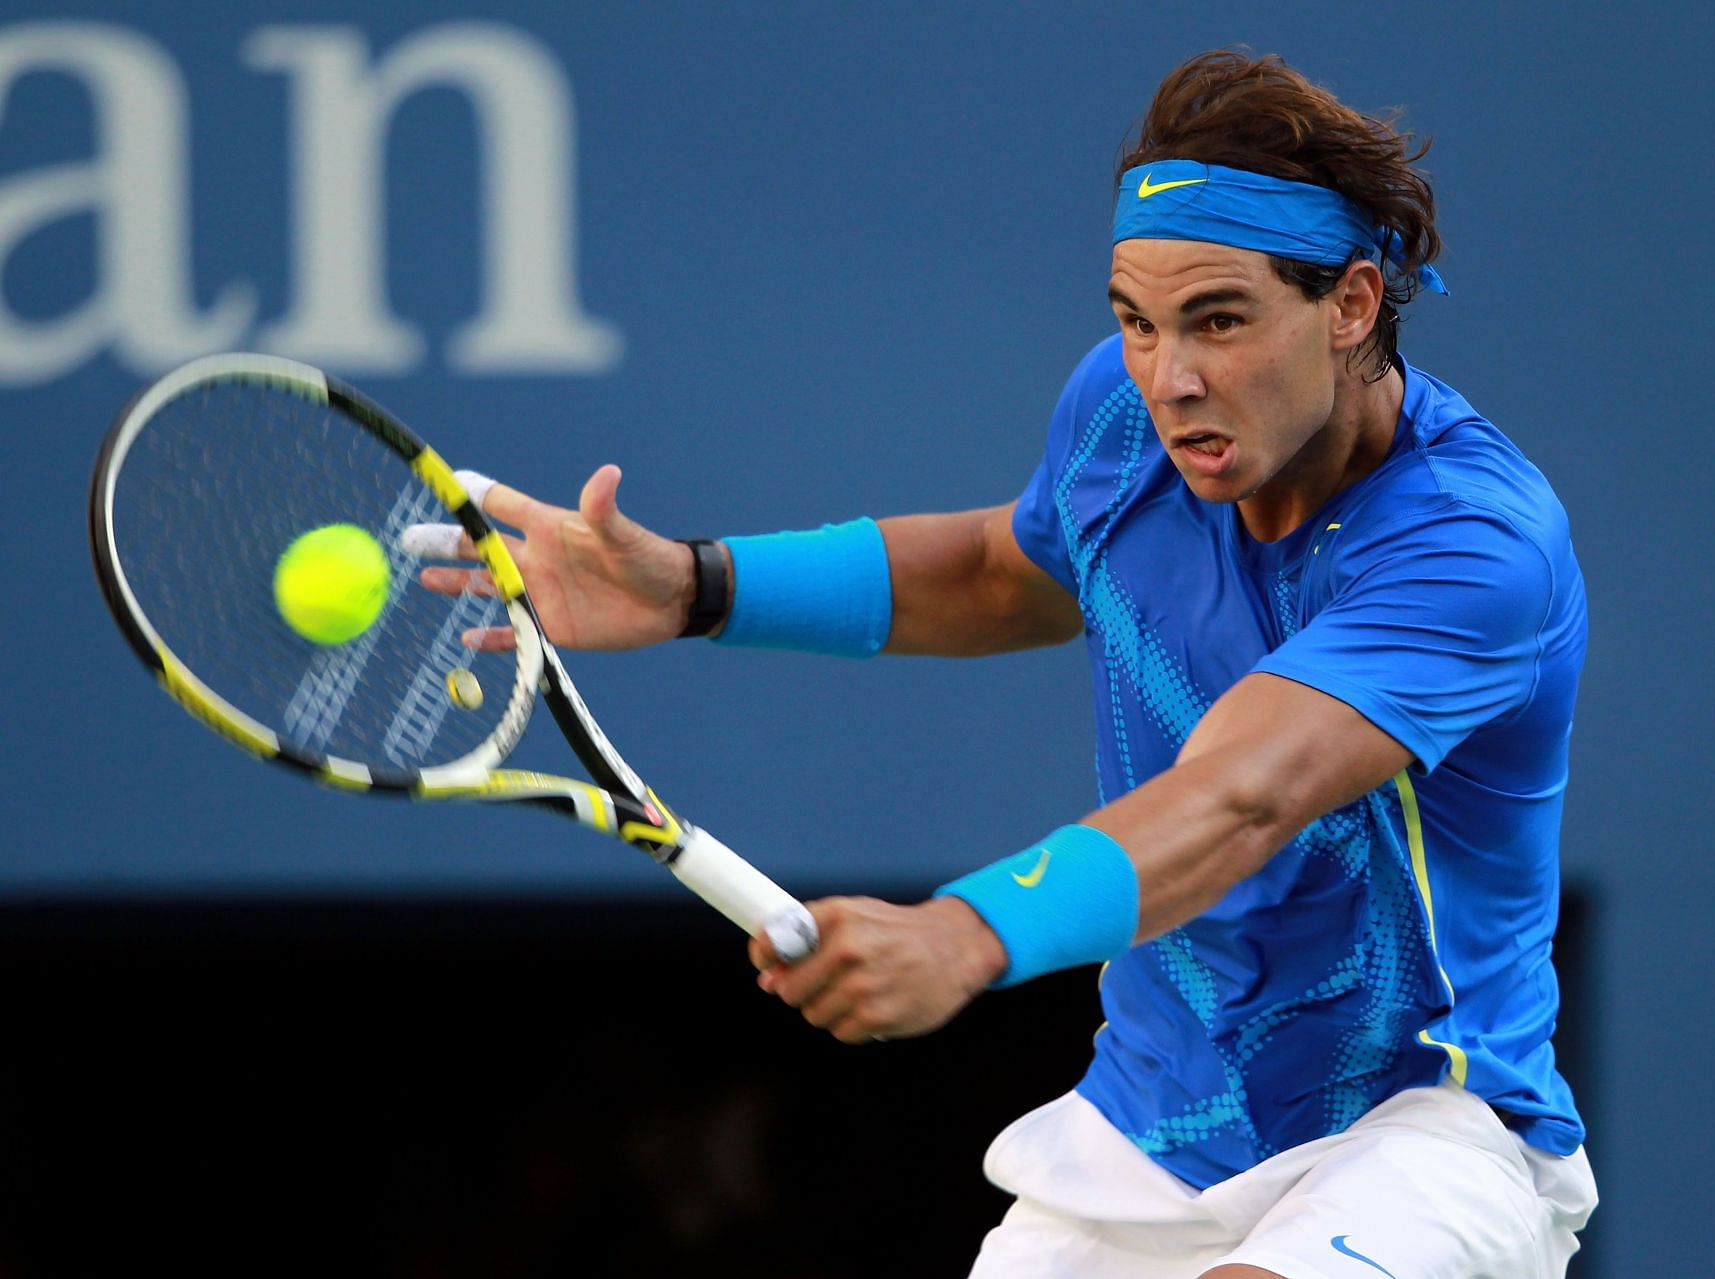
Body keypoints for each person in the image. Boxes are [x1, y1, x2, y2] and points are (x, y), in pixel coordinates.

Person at [424, 48, 1596, 1279]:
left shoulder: (1473, 546)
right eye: (1135, 322)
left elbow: (1243, 795)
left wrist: (964, 936)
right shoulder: (1125, 414)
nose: (1171, 376)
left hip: (1427, 1122)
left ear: (1352, 305)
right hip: (1150, 1127)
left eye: (1219, 320)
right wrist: (697, 586)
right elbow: (1006, 568)